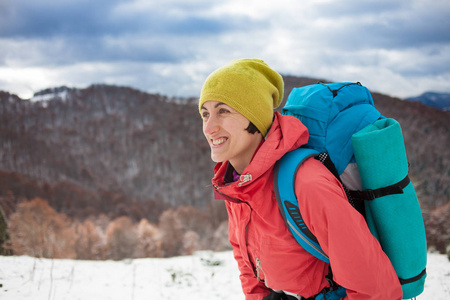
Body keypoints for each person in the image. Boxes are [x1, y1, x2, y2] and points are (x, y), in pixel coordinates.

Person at [198, 58, 402, 300]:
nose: (209, 128)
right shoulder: (237, 185)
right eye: (205, 114)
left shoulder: (306, 184)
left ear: (256, 119)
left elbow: (376, 290)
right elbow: (247, 264)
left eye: (223, 111)